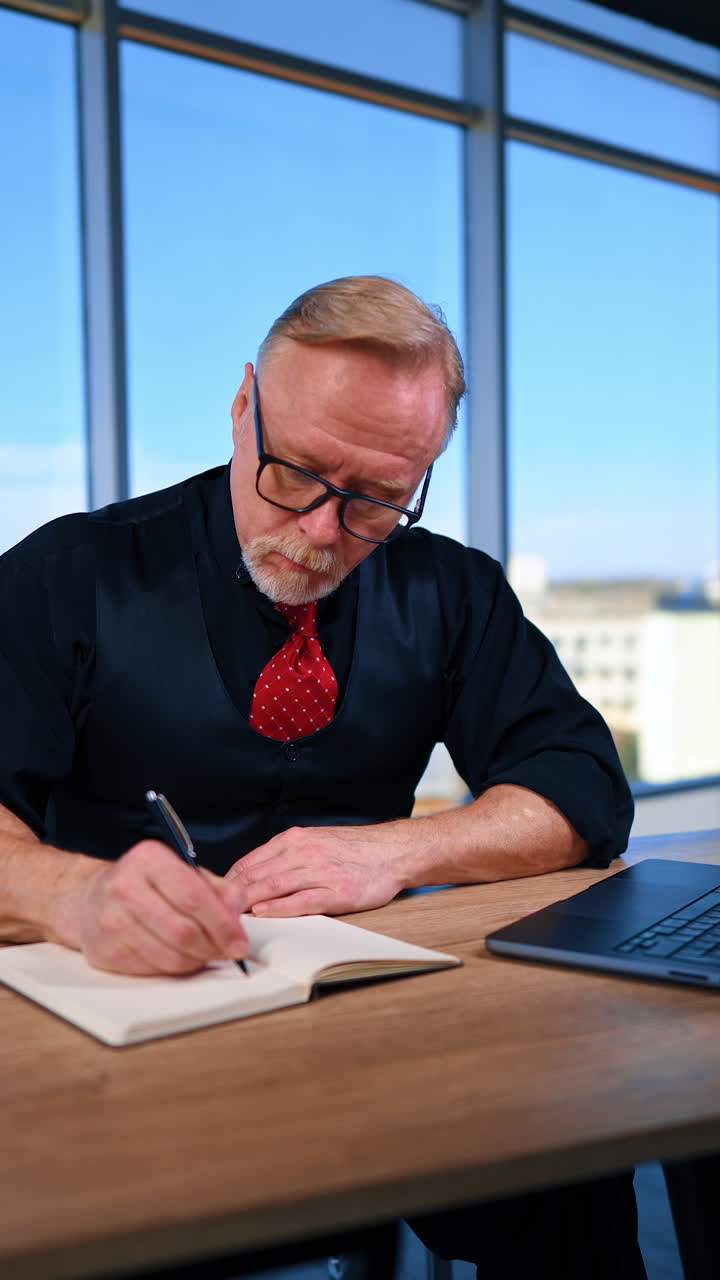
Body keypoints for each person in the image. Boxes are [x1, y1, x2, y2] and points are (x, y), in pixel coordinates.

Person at [0, 275, 645, 1277]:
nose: (319, 529)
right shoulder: (70, 574)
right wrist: (78, 892)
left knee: (574, 1157)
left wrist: (400, 848)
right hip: (119, 1038)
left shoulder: (451, 589)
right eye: (294, 472)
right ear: (242, 405)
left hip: (381, 1026)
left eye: (378, 497)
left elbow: (582, 788)